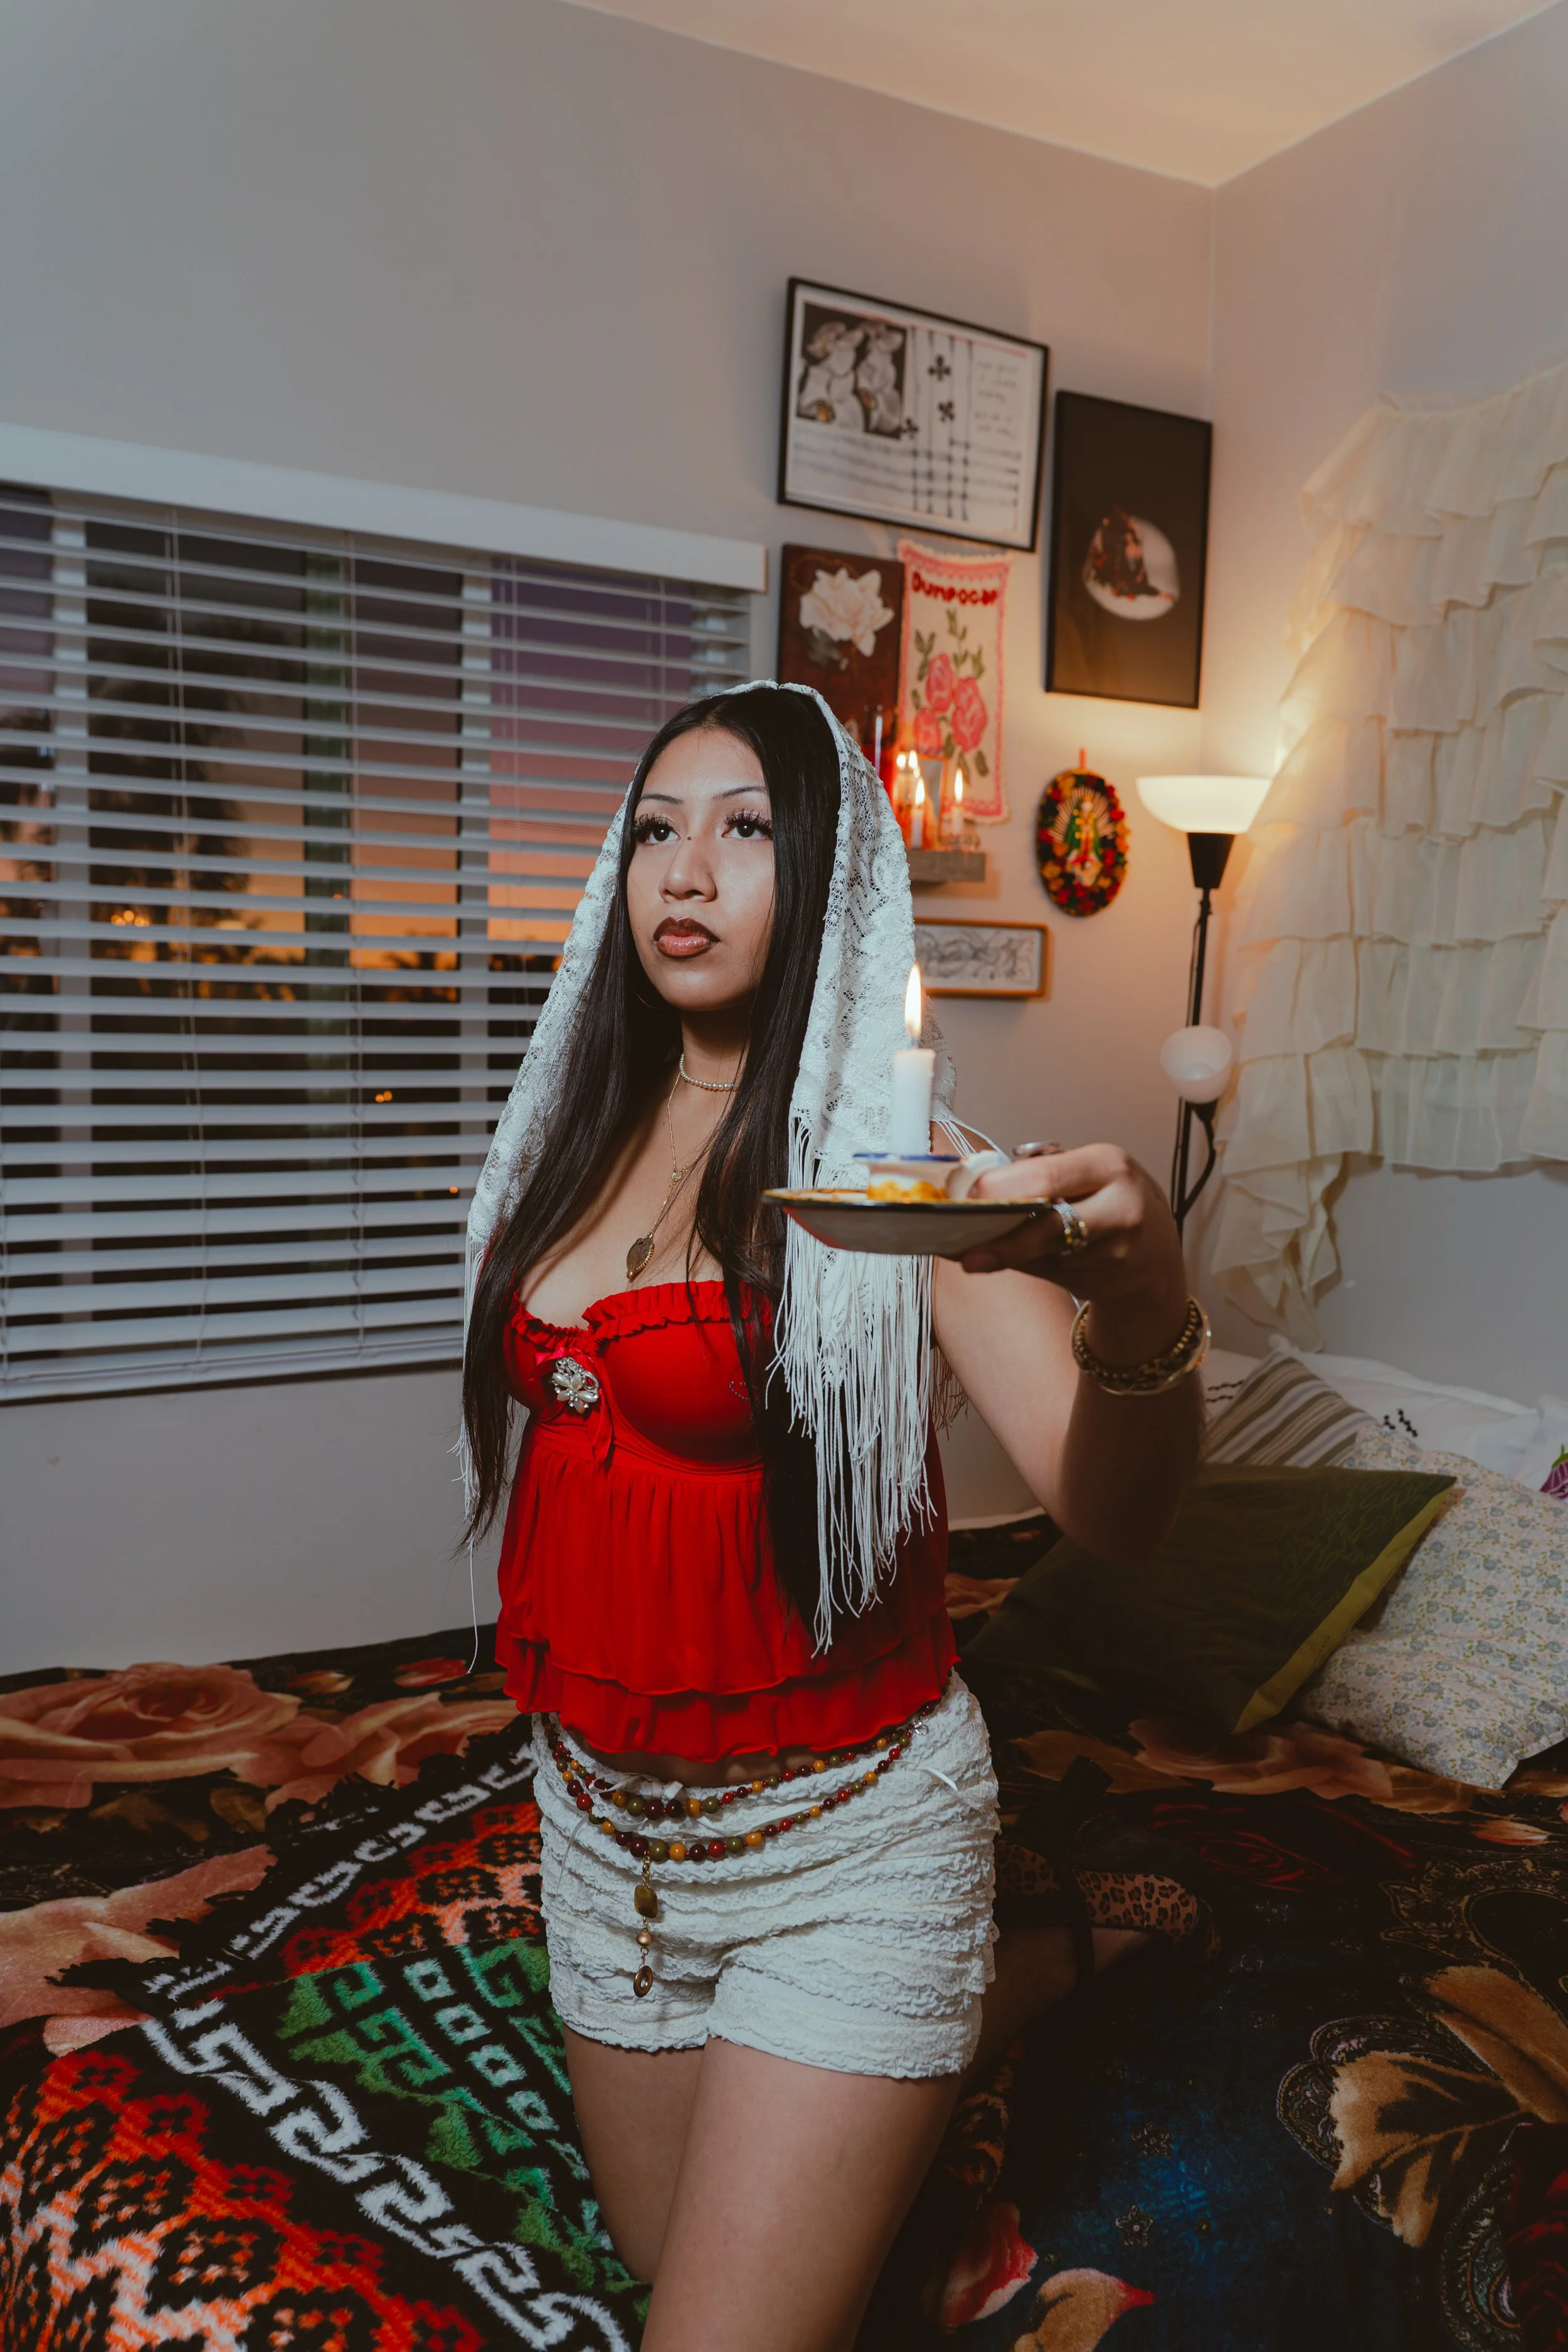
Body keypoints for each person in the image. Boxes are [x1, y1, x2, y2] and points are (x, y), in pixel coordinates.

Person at [462, 682, 1204, 2352]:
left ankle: (960, 1970)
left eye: (745, 832)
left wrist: (1144, 1290)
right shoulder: (568, 1132)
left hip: (838, 1847)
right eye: (656, 828)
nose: (685, 870)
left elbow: (1115, 1506)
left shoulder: (887, 1173)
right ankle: (1014, 1979)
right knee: (666, 2254)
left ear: (828, 882)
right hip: (605, 1841)